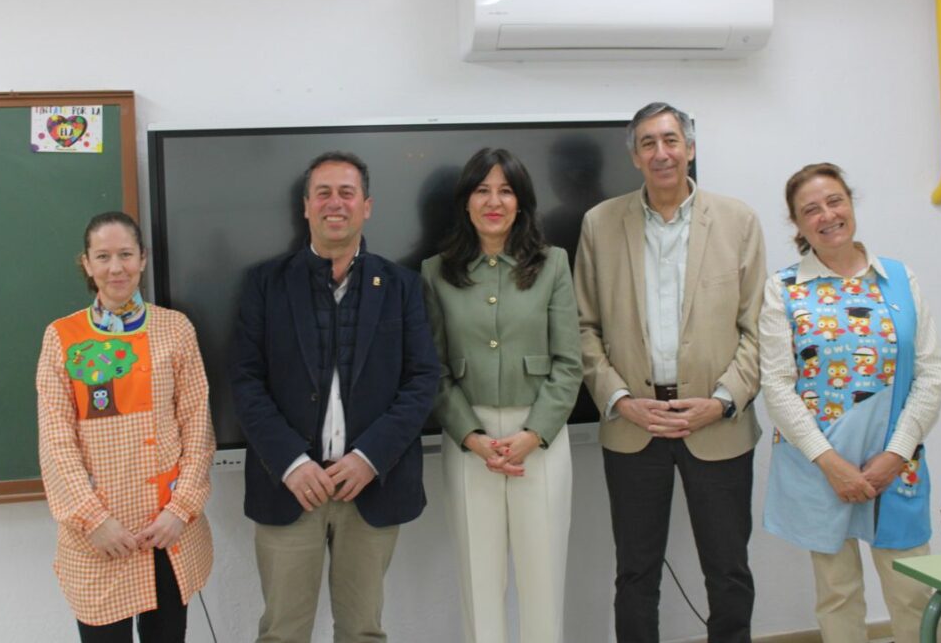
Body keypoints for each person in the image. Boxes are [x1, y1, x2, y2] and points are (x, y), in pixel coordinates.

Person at [574, 102, 766, 643]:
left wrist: (723, 400)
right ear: (634, 156)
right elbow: (583, 327)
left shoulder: (738, 221)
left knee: (728, 572)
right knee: (635, 573)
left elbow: (759, 331)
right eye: (648, 144)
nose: (661, 153)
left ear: (691, 148)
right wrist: (620, 400)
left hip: (718, 424)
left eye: (671, 140)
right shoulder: (599, 223)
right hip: (635, 425)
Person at [231, 150, 440, 643]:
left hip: (372, 487)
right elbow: (245, 380)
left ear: (366, 205)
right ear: (305, 206)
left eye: (347, 193)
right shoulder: (264, 285)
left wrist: (370, 458)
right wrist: (291, 463)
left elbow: (422, 379)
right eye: (322, 193)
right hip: (288, 488)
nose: (335, 203)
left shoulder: (403, 286)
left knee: (363, 631)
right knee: (281, 632)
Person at [759, 163, 941, 643]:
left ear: (851, 203)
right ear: (797, 226)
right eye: (811, 210)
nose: (827, 216)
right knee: (837, 594)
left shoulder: (900, 280)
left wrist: (895, 454)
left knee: (911, 593)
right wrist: (831, 464)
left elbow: (930, 373)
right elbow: (777, 384)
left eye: (835, 201)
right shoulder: (784, 289)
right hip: (821, 466)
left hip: (896, 464)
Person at [421, 148, 582, 643]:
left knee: (543, 581)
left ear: (522, 201)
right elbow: (434, 369)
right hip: (470, 444)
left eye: (506, 190)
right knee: (479, 581)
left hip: (542, 441)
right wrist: (472, 437)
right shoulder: (435, 272)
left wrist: (534, 434)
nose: (494, 201)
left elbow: (569, 363)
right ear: (466, 202)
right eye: (482, 190)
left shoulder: (553, 264)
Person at [36, 211, 215, 642]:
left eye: (125, 254)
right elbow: (56, 442)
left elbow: (197, 426)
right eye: (103, 256)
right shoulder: (62, 337)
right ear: (87, 263)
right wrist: (94, 520)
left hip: (167, 533)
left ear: (143, 259)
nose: (116, 267)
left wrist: (181, 508)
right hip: (100, 540)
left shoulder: (175, 329)